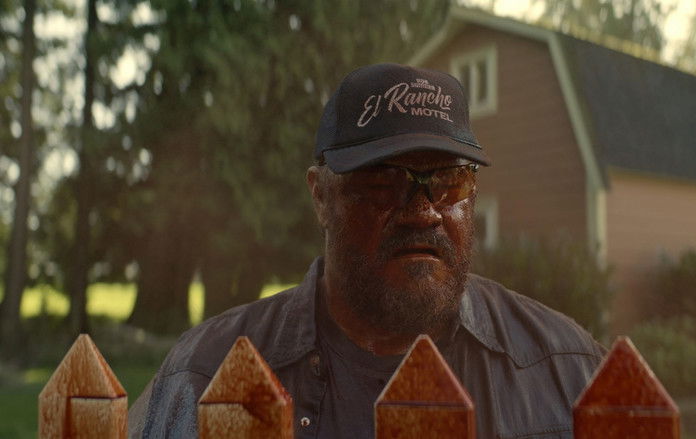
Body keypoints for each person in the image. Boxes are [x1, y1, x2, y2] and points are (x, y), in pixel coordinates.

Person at [129, 63, 605, 438]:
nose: (422, 211)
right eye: (383, 183)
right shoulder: (202, 375)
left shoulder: (565, 369)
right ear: (320, 196)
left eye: (450, 180)